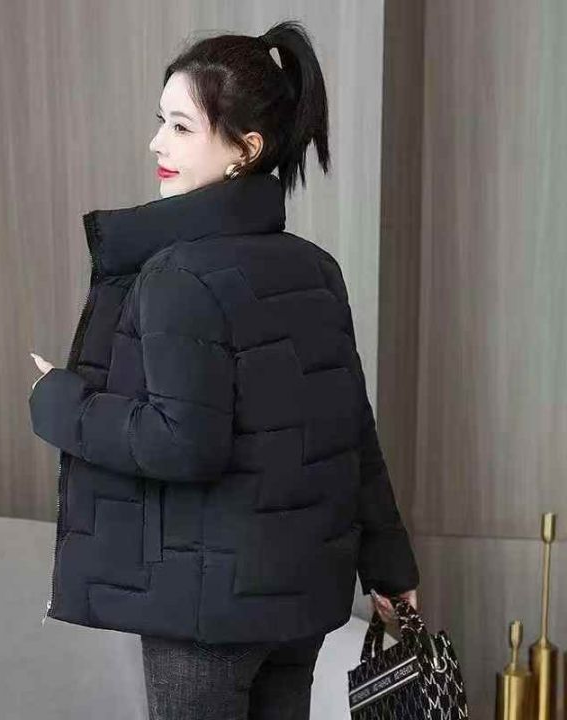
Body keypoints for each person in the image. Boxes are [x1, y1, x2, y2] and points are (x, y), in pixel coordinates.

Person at [29, 18, 419, 720]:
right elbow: (351, 432)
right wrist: (391, 569)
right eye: (161, 122)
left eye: (181, 127)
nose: (157, 143)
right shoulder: (315, 268)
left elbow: (183, 443)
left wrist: (59, 401)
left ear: (246, 150)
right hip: (300, 601)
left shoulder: (177, 274)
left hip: (205, 612)